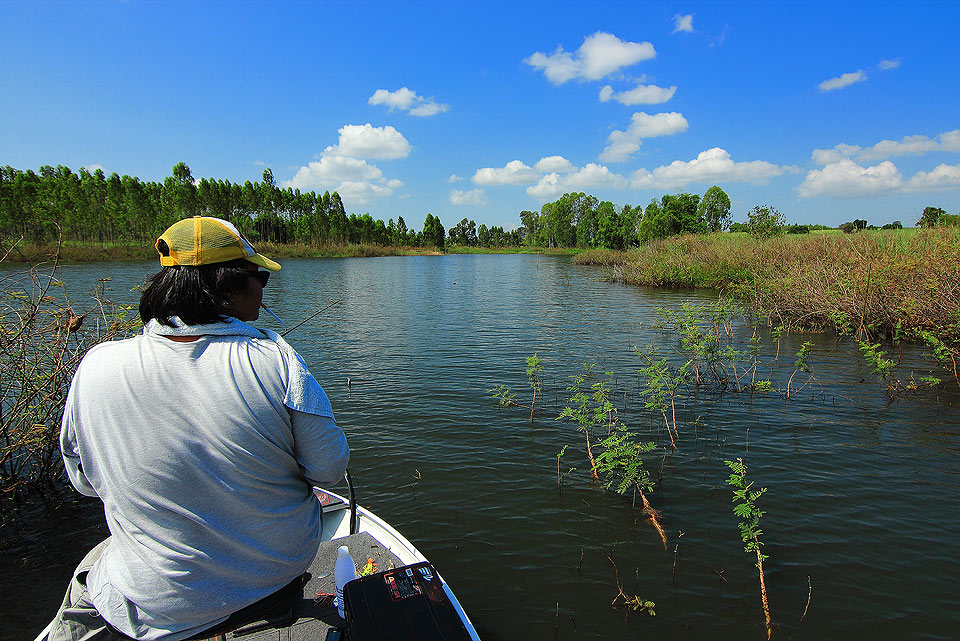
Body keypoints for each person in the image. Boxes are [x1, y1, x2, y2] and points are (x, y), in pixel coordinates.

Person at [51, 216, 349, 640]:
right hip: (273, 575)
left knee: (95, 571)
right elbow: (329, 470)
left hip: (154, 601)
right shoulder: (276, 357)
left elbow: (83, 482)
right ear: (228, 287)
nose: (264, 290)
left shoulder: (94, 364)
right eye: (259, 277)